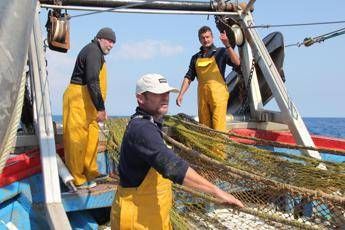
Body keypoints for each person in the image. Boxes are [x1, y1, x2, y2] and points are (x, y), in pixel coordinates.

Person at [110, 73, 244, 229]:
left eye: (166, 93)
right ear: (141, 98)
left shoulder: (149, 124)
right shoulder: (142, 129)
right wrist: (216, 191)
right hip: (136, 220)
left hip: (152, 215)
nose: (165, 97)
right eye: (158, 93)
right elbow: (172, 166)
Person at [63, 27, 116, 189]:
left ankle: (90, 172)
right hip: (78, 100)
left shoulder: (98, 54)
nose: (111, 45)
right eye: (109, 41)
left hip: (89, 104)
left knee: (92, 138)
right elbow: (92, 80)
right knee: (77, 140)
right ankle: (78, 179)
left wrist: (98, 107)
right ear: (99, 38)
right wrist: (101, 108)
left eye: (113, 42)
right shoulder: (93, 51)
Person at [176, 26, 241, 131]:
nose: (205, 40)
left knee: (218, 125)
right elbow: (189, 77)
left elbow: (237, 62)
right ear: (199, 40)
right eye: (203, 38)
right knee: (204, 127)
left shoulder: (221, 52)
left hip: (218, 94)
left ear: (212, 37)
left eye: (207, 37)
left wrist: (227, 45)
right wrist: (181, 94)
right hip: (202, 95)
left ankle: (219, 148)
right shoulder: (195, 57)